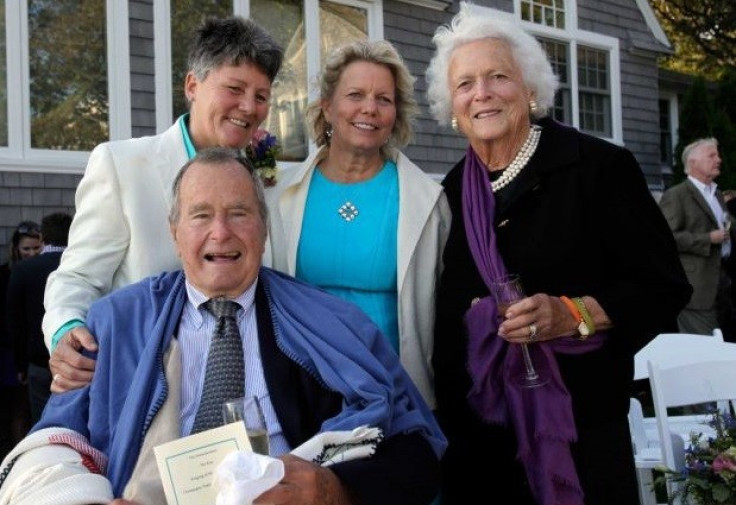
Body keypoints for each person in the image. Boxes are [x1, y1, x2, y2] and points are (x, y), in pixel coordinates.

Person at [0, 148, 445, 505]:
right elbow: (52, 443)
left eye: (238, 213)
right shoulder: (115, 322)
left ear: (264, 230)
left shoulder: (333, 324)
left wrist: (335, 490)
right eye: (200, 215)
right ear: (174, 233)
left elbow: (417, 452)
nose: (221, 233)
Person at [424, 6, 692, 505]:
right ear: (453, 109)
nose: (480, 93)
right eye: (464, 85)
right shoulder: (451, 192)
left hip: (579, 434)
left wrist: (572, 315)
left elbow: (663, 287)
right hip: (479, 441)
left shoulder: (598, 169)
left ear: (530, 89)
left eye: (497, 76)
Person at [43, 15, 283, 392]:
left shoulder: (263, 184)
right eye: (234, 88)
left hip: (246, 385)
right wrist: (66, 330)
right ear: (192, 85)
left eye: (261, 96)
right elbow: (77, 277)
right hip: (145, 390)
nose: (249, 107)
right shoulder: (122, 166)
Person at [266, 39, 450, 407]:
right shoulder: (278, 195)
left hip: (392, 392)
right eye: (355, 95)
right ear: (328, 107)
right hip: (301, 390)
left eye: (384, 99)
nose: (370, 108)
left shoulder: (428, 201)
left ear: (396, 113)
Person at [660, 138, 736, 341]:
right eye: (712, 155)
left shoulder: (718, 195)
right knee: (704, 347)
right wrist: (707, 239)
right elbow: (665, 239)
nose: (718, 159)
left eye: (717, 155)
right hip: (696, 291)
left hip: (722, 286)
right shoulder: (677, 195)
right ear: (693, 162)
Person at [6, 212, 73, 425]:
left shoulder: (23, 270)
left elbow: (16, 323)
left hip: (38, 364)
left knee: (43, 421)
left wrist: (19, 366)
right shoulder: (82, 269)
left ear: (43, 238)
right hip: (76, 363)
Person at [0, 221, 42, 459]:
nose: (32, 254)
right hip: (10, 352)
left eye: (36, 248)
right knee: (17, 407)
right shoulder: (6, 274)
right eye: (26, 249)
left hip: (32, 351)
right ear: (16, 248)